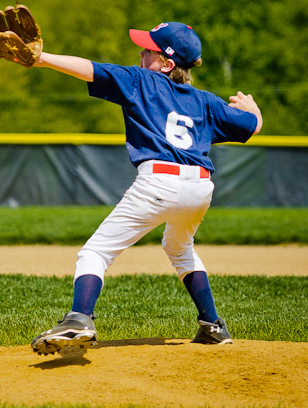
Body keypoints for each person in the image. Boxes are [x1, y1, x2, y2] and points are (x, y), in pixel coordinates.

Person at [29, 21, 263, 355]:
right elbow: (251, 126)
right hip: (199, 188)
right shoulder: (204, 101)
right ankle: (213, 325)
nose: (141, 52)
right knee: (180, 248)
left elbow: (91, 69)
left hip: (158, 182)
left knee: (95, 252)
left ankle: (79, 318)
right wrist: (254, 110)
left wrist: (42, 58)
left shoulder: (142, 81)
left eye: (149, 50)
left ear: (167, 64)